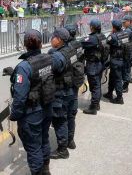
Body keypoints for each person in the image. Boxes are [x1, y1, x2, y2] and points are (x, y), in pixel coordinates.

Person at [7, 29, 55, 175]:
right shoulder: (49, 58)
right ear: (41, 43)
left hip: (32, 113)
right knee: (44, 139)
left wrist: (14, 115)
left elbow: (20, 97)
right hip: (47, 107)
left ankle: (38, 172)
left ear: (25, 45)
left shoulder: (23, 67)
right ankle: (45, 169)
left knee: (33, 147)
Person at [49, 28, 82, 159]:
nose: (51, 39)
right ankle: (70, 141)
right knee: (70, 117)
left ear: (60, 40)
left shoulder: (57, 56)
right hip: (71, 90)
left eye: (53, 37)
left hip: (61, 93)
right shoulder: (72, 49)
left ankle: (62, 149)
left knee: (60, 120)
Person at [82, 19, 107, 115]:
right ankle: (97, 104)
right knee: (97, 85)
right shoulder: (102, 36)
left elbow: (81, 42)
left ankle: (93, 107)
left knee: (94, 86)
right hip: (100, 63)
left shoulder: (92, 38)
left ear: (92, 27)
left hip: (93, 64)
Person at [103, 20, 128, 104]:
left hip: (116, 60)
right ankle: (110, 93)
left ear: (114, 27)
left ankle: (119, 98)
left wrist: (111, 33)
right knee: (112, 77)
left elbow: (107, 40)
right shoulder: (125, 34)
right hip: (122, 59)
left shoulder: (113, 36)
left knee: (117, 79)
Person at [122, 15, 132, 93]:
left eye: (124, 22)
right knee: (127, 69)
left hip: (127, 53)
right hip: (130, 51)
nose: (123, 23)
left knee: (126, 70)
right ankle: (125, 85)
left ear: (129, 21)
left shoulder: (127, 31)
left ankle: (125, 87)